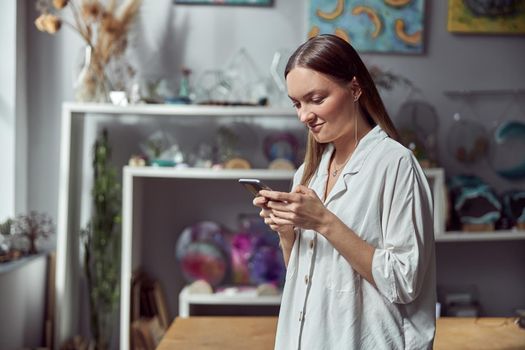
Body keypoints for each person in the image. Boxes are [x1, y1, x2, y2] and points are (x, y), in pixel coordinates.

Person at [253, 34, 436, 349]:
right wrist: (287, 234)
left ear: (354, 89)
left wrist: (324, 222)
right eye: (297, 103)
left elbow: (404, 282)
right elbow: (308, 277)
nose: (304, 115)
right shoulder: (307, 172)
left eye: (316, 99)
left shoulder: (395, 164)